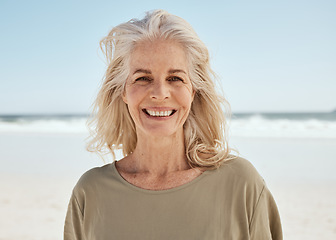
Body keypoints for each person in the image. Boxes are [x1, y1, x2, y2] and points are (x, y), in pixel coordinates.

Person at [64, 9, 282, 240]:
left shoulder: (241, 183)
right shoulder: (90, 192)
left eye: (175, 78)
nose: (160, 93)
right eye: (143, 78)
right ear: (123, 91)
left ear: (193, 91)